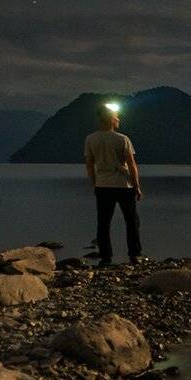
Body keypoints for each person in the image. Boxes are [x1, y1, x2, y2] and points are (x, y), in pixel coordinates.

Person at [84, 105, 143, 266]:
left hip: (103, 185)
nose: (119, 119)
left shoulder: (90, 139)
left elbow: (89, 164)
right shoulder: (123, 139)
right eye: (117, 117)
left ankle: (105, 256)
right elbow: (132, 165)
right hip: (124, 185)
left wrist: (94, 183)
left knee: (103, 222)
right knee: (131, 221)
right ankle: (135, 255)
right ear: (111, 119)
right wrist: (137, 186)